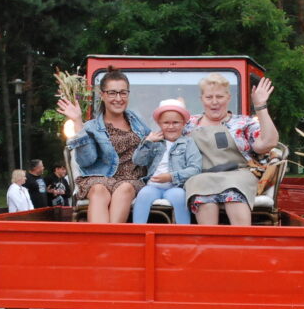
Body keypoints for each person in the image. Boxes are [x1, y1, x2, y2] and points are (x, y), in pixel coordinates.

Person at [182, 73, 279, 226]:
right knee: (200, 188)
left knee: (233, 192)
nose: (214, 102)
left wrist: (260, 107)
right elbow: (169, 142)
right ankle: (209, 238)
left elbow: (268, 143)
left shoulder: (243, 123)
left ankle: (242, 238)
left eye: (220, 97)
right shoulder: (189, 124)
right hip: (202, 175)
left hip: (238, 174)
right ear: (202, 99)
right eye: (209, 97)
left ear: (228, 98)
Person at [57, 66, 150, 223]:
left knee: (125, 189)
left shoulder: (137, 120)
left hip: (131, 177)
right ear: (102, 95)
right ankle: (102, 237)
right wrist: (78, 122)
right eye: (112, 93)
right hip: (101, 176)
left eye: (123, 93)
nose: (118, 98)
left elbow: (152, 147)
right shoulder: (91, 127)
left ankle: (110, 236)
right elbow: (86, 161)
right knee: (99, 190)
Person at [131, 99, 202, 224]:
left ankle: (183, 232)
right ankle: (138, 231)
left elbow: (195, 168)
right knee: (143, 195)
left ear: (184, 123)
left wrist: (171, 176)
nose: (171, 126)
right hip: (153, 186)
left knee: (180, 197)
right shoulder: (154, 141)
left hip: (176, 186)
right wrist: (147, 142)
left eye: (176, 122)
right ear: (159, 123)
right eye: (166, 123)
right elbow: (138, 161)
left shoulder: (188, 143)